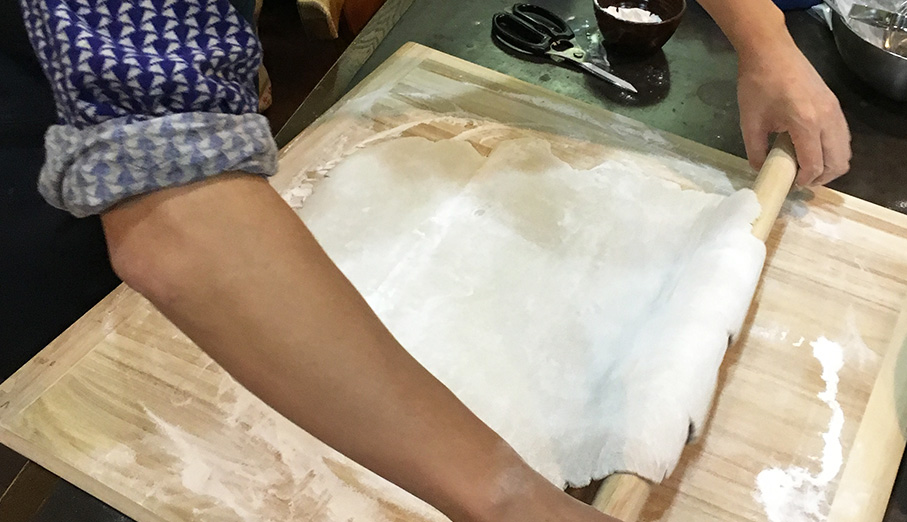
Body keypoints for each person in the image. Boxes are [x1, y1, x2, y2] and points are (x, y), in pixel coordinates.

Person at [5, 0, 850, 520]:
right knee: (99, 378)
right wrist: (510, 499)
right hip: (36, 138)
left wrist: (763, 38)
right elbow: (169, 201)